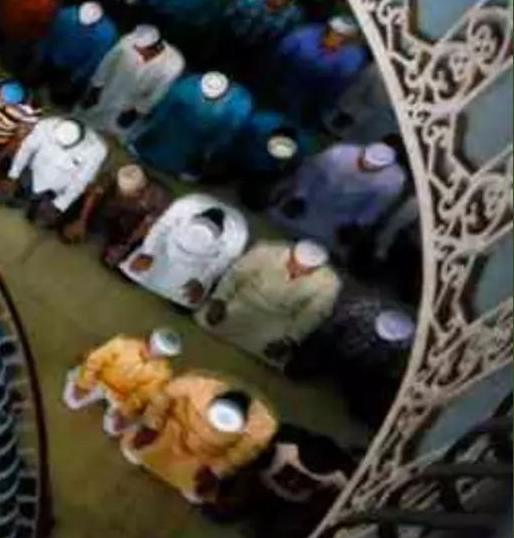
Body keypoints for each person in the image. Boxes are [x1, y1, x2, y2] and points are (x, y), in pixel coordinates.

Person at [124, 375, 277, 504]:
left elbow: (244, 451)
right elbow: (164, 395)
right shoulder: (199, 383)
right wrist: (152, 425)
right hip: (178, 428)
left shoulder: (263, 424)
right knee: (133, 448)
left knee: (196, 494)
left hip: (209, 452)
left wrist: (216, 471)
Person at [199, 239, 341, 368]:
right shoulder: (266, 251)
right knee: (207, 320)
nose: (297, 272)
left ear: (317, 268)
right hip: (245, 301)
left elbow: (313, 313)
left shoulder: (330, 282)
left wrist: (289, 340)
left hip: (278, 320)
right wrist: (220, 300)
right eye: (295, 265)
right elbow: (236, 274)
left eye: (306, 271)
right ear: (291, 254)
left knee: (270, 354)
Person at [119, 194, 248, 308]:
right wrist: (149, 252)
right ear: (197, 215)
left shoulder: (238, 232)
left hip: (199, 263)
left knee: (185, 301)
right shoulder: (187, 204)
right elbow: (162, 226)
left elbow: (224, 260)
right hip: (169, 247)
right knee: (132, 273)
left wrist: (202, 281)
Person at [268, 140, 407, 246]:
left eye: (372, 168)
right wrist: (299, 195)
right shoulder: (340, 152)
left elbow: (376, 206)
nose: (364, 167)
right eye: (363, 162)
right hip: (308, 201)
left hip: (336, 220)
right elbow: (310, 170)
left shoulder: (393, 180)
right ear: (363, 152)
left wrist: (358, 225)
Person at [129, 71, 252, 180]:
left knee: (190, 158)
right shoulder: (189, 84)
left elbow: (229, 130)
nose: (207, 98)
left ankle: (188, 170)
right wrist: (153, 124)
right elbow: (167, 105)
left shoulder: (240, 101)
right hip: (177, 125)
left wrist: (210, 149)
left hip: (204, 136)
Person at [66, 327, 181, 435]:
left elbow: (143, 393)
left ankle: (138, 421)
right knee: (72, 402)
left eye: (160, 353)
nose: (154, 353)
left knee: (113, 428)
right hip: (100, 379)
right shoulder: (123, 344)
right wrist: (85, 382)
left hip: (122, 396)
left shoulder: (163, 373)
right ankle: (78, 372)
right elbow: (96, 359)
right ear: (149, 339)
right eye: (154, 347)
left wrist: (126, 409)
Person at [79, 25, 185, 138]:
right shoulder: (129, 41)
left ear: (156, 47)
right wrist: (95, 87)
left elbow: (159, 92)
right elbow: (108, 62)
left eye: (140, 50)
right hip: (111, 88)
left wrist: (137, 111)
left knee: (115, 133)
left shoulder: (174, 64)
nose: (135, 50)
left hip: (131, 103)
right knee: (85, 118)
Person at [0, 116, 107, 227]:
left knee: (39, 222)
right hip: (32, 174)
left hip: (55, 192)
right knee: (1, 197)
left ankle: (35, 205)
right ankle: (26, 198)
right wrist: (12, 176)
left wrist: (58, 205)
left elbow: (80, 182)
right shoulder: (47, 125)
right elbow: (26, 149)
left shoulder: (97, 150)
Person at [269, 17, 370, 122]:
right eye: (334, 33)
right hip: (288, 81)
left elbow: (341, 84)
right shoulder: (305, 34)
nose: (336, 38)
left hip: (317, 96)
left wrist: (323, 103)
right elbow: (282, 52)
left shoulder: (354, 55)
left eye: (342, 37)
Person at [28, 1, 118, 104]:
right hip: (52, 57)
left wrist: (74, 78)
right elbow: (49, 34)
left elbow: (95, 60)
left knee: (59, 98)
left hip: (72, 69)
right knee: (32, 81)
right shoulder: (64, 14)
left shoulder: (107, 35)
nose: (82, 27)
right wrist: (40, 54)